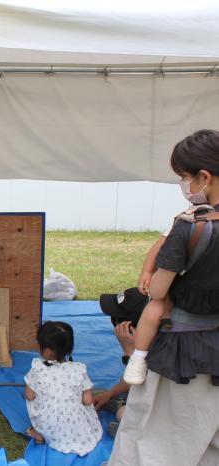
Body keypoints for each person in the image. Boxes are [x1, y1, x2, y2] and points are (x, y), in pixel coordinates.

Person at [109, 129, 219, 465]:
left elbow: (158, 291)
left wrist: (155, 281)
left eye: (184, 178)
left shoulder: (191, 227)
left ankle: (137, 358)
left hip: (184, 350)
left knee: (160, 435)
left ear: (204, 177)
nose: (184, 186)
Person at [24, 321, 102, 455]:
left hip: (49, 425)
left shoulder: (38, 369)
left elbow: (29, 396)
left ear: (47, 351)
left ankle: (40, 432)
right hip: (77, 428)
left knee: (34, 399)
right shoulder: (79, 369)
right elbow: (88, 401)